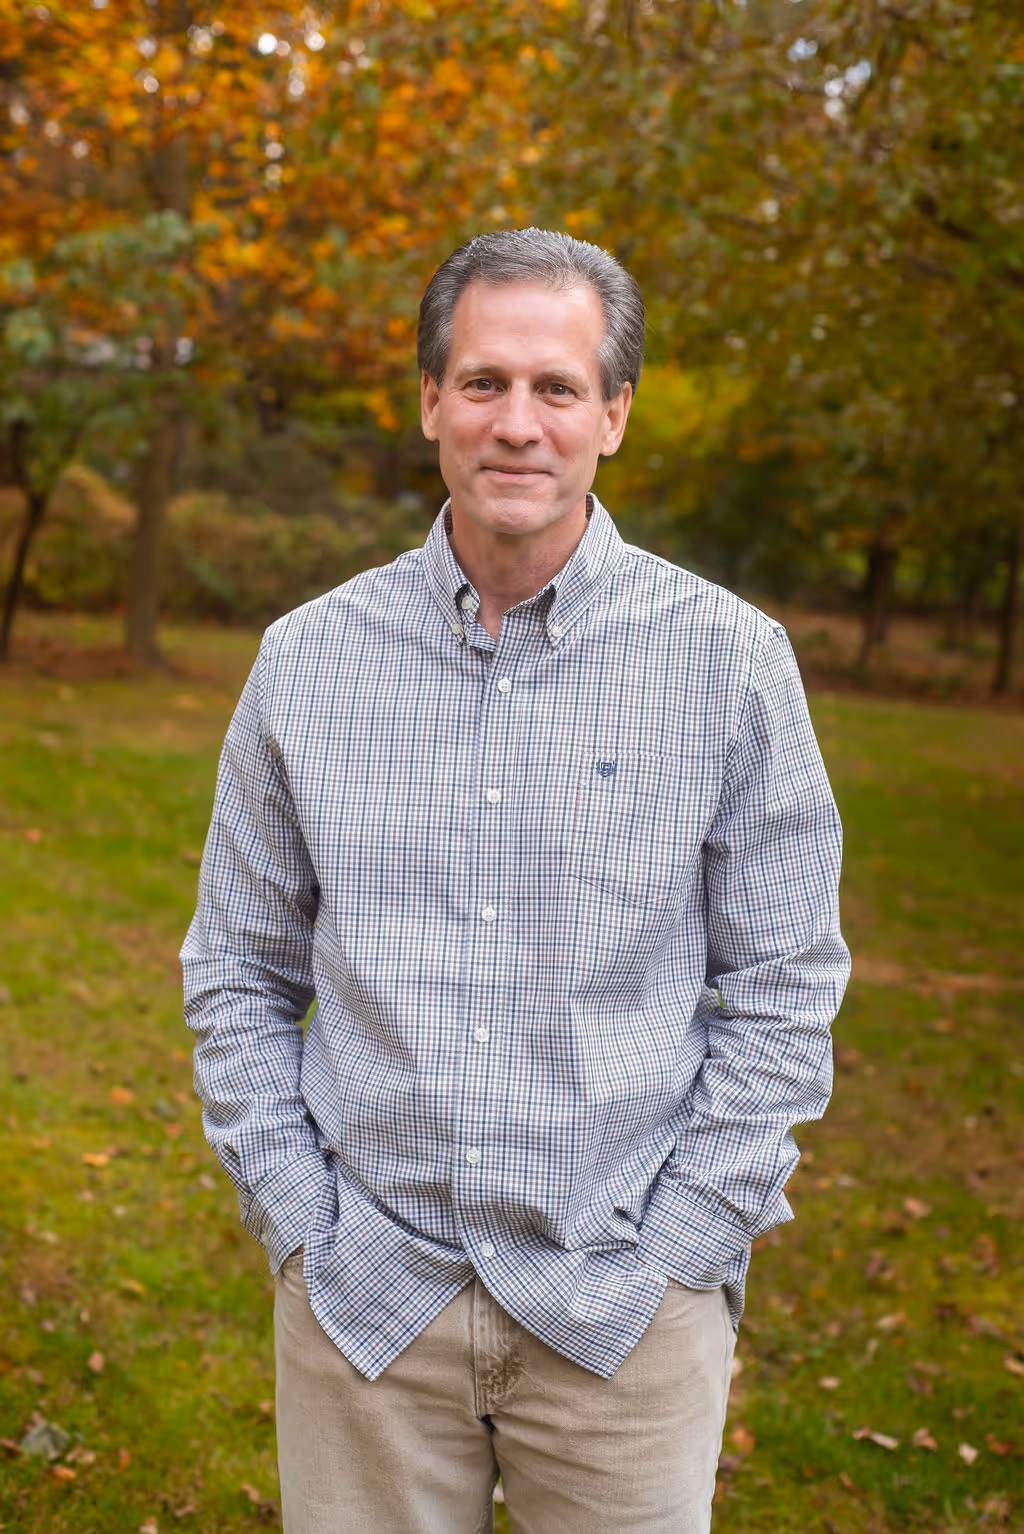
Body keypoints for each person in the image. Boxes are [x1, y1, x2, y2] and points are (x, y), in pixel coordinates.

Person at [181, 227, 850, 1534]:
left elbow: (785, 980)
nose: (518, 423)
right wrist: (298, 1217)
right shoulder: (307, 664)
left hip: (625, 1307)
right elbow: (236, 965)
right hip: (367, 1305)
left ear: (615, 414)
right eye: (484, 381)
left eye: (557, 388)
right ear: (429, 400)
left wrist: (682, 1247)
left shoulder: (730, 664)